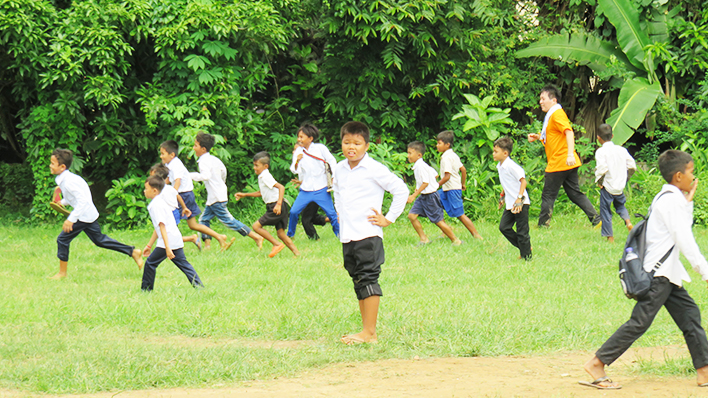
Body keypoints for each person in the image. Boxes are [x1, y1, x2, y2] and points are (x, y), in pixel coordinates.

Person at [582, 150, 708, 390]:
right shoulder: (670, 201)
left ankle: (704, 372)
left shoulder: (669, 197)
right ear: (679, 175)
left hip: (668, 276)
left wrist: (688, 203)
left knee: (691, 317)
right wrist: (704, 270)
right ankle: (597, 363)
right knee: (639, 323)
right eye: (691, 171)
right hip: (658, 277)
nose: (694, 176)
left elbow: (682, 229)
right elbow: (684, 239)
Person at [333, 121, 408, 345]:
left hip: (368, 233)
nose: (351, 147)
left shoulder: (374, 168)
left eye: (357, 143)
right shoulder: (339, 168)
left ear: (366, 146)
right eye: (347, 142)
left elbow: (401, 190)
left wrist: (389, 218)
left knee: (368, 278)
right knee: (357, 279)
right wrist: (339, 215)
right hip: (348, 234)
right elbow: (336, 192)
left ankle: (369, 333)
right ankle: (366, 331)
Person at [49, 148, 143, 279]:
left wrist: (71, 219)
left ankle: (62, 273)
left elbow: (82, 201)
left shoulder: (69, 181)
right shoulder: (65, 179)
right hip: (87, 214)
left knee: (62, 239)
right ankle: (133, 251)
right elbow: (73, 198)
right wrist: (62, 203)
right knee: (100, 240)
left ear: (62, 166)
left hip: (82, 215)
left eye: (53, 163)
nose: (50, 166)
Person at [528, 84, 601, 228]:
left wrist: (569, 154)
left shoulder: (557, 114)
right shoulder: (553, 115)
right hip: (567, 162)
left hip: (560, 162)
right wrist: (538, 137)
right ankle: (597, 219)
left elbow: (569, 132)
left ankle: (543, 225)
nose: (540, 102)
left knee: (548, 195)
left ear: (553, 100)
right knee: (574, 194)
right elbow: (554, 137)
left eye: (543, 98)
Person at [189, 132, 263, 250]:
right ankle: (207, 246)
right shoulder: (214, 159)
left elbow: (205, 176)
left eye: (195, 146)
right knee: (203, 219)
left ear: (203, 149)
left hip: (216, 198)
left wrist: (189, 175)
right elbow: (224, 171)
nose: (193, 148)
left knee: (229, 221)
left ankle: (256, 237)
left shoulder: (203, 161)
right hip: (217, 195)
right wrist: (220, 184)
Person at [159, 139, 233, 251]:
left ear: (172, 154)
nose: (161, 156)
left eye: (163, 154)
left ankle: (181, 242)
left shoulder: (176, 165)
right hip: (184, 195)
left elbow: (177, 181)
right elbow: (169, 179)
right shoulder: (170, 164)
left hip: (183, 196)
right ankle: (218, 237)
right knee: (192, 225)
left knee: (169, 226)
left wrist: (171, 195)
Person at [141, 175, 203, 291]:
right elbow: (158, 227)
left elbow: (162, 227)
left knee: (150, 263)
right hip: (174, 237)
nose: (144, 191)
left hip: (167, 240)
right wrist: (149, 245)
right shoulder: (160, 202)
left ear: (154, 191)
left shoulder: (156, 205)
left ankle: (146, 291)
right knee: (183, 264)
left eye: (146, 189)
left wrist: (167, 247)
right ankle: (199, 286)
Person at [234, 152, 299, 258]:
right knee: (281, 233)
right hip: (280, 205)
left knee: (256, 226)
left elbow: (281, 187)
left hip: (275, 205)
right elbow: (260, 192)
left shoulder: (265, 176)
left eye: (257, 165)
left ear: (265, 166)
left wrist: (278, 204)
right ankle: (297, 253)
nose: (254, 168)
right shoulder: (263, 176)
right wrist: (245, 194)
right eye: (254, 165)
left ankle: (276, 244)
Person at [287, 123, 339, 239]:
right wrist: (297, 161)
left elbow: (331, 161)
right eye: (298, 137)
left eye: (302, 137)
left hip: (322, 188)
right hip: (306, 189)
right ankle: (290, 235)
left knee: (331, 214)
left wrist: (334, 177)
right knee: (294, 212)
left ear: (310, 138)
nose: (299, 139)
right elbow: (294, 170)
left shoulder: (320, 148)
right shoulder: (298, 152)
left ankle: (339, 234)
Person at [406, 141, 461, 246]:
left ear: (419, 155)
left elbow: (425, 182)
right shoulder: (421, 165)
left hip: (430, 196)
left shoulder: (420, 166)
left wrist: (414, 195)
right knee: (412, 216)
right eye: (408, 153)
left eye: (410, 153)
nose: (408, 156)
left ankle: (455, 240)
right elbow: (435, 175)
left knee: (438, 221)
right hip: (424, 196)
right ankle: (424, 239)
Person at [436, 130, 483, 239]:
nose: (437, 145)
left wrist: (436, 185)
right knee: (435, 201)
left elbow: (447, 176)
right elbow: (463, 169)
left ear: (447, 145)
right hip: (448, 188)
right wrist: (462, 184)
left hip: (451, 189)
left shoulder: (447, 158)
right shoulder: (453, 155)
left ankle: (477, 235)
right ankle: (445, 232)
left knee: (460, 214)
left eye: (439, 143)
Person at [595, 124, 636, 243]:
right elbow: (632, 166)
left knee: (606, 211)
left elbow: (602, 169)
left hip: (607, 186)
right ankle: (628, 222)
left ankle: (610, 237)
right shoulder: (621, 150)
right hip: (619, 186)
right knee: (621, 206)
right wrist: (626, 178)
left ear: (598, 137)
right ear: (612, 136)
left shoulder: (601, 152)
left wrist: (600, 182)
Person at [493, 137, 532, 260]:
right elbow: (507, 183)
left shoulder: (511, 166)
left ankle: (527, 257)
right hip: (510, 203)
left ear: (505, 153)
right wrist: (502, 196)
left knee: (522, 231)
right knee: (504, 227)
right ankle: (524, 247)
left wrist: (519, 199)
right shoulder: (500, 166)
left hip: (520, 203)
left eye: (496, 151)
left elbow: (523, 181)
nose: (493, 154)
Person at [147, 163, 201, 250]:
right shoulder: (168, 188)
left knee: (167, 235)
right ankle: (191, 239)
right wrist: (184, 207)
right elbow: (178, 196)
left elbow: (177, 196)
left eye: (152, 177)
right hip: (173, 212)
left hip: (171, 214)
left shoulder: (162, 191)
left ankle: (192, 238)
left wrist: (184, 208)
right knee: (163, 233)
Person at [291, 142, 330, 240]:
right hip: (308, 190)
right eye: (295, 150)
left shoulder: (311, 161)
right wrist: (301, 182)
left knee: (306, 219)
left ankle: (315, 239)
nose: (295, 152)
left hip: (315, 191)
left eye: (297, 150)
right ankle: (332, 219)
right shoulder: (300, 163)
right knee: (311, 216)